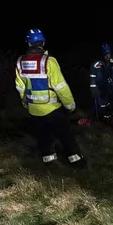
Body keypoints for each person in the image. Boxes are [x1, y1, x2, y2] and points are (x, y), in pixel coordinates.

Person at [14, 29, 86, 169]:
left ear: (28, 43)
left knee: (43, 136)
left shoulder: (20, 62)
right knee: (65, 135)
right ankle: (77, 162)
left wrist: (26, 102)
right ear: (43, 42)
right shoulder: (49, 61)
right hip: (53, 108)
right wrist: (70, 105)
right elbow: (61, 87)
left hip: (34, 109)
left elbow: (20, 87)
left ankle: (49, 163)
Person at [89, 43, 113, 120]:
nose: (107, 56)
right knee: (103, 101)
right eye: (105, 54)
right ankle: (105, 115)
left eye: (108, 53)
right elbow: (92, 78)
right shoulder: (95, 65)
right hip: (102, 86)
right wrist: (93, 90)